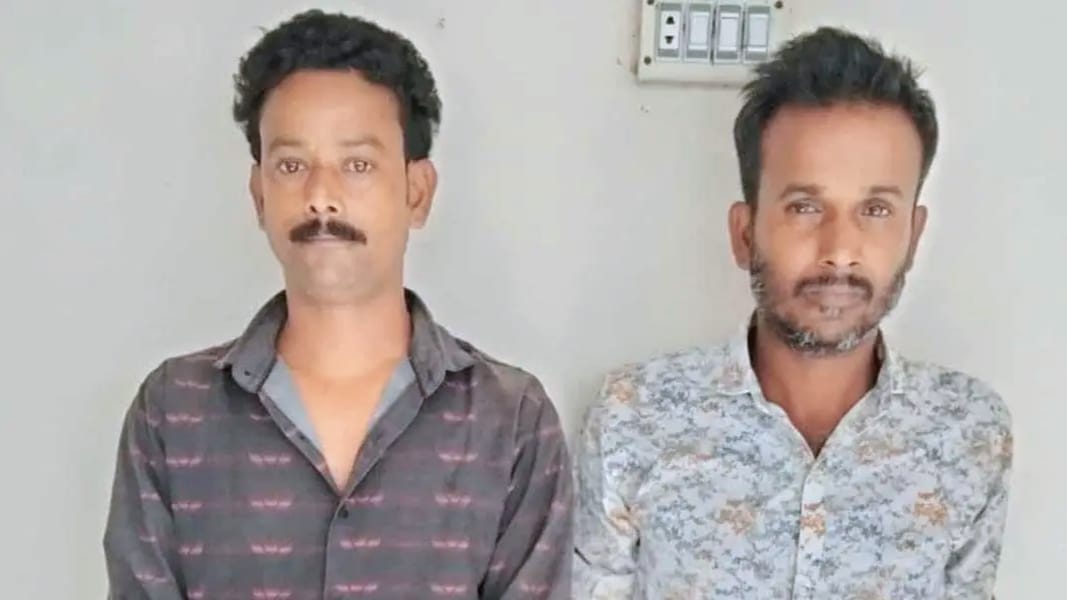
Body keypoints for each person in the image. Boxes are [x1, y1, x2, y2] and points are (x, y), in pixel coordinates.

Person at [104, 9, 571, 599]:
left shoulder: (511, 421)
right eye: (292, 165)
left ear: (417, 192)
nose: (321, 197)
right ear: (260, 194)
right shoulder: (173, 413)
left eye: (357, 165)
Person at [574, 27, 1012, 599]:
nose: (840, 250)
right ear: (744, 233)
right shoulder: (634, 418)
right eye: (805, 206)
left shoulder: (969, 432)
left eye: (876, 209)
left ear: (913, 234)